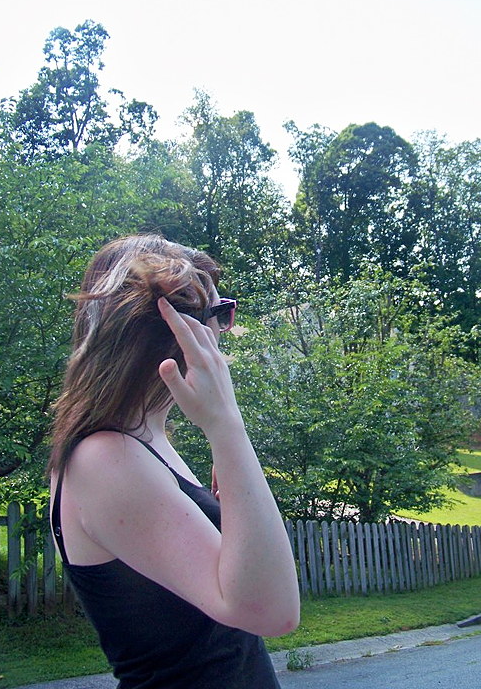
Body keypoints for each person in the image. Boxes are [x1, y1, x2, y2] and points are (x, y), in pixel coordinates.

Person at [48, 234, 300, 688]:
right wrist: (227, 426)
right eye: (220, 313)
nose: (224, 331)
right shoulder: (106, 457)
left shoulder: (142, 441)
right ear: (179, 335)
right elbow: (272, 610)